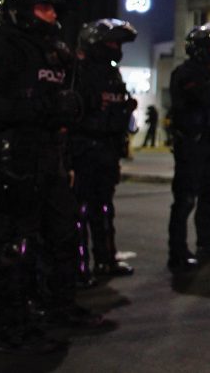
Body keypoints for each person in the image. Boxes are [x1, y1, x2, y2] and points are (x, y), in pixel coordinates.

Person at [0, 0, 103, 354]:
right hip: (17, 156)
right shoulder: (1, 47)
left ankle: (58, 305)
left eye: (53, 9)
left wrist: (74, 110)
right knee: (17, 243)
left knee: (64, 234)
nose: (51, 15)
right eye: (43, 8)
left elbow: (68, 101)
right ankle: (13, 322)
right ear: (21, 10)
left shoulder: (57, 52)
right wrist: (41, 108)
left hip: (53, 157)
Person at [70, 18, 138, 287]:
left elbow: (117, 112)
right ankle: (78, 266)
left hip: (107, 152)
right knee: (79, 210)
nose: (115, 48)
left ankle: (106, 259)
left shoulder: (113, 75)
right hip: (83, 150)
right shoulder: (78, 72)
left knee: (104, 208)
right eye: (111, 42)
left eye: (118, 43)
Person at [167, 24, 210, 270]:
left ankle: (206, 242)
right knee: (185, 200)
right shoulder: (183, 74)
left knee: (209, 195)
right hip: (190, 145)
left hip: (209, 145)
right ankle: (177, 252)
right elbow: (202, 100)